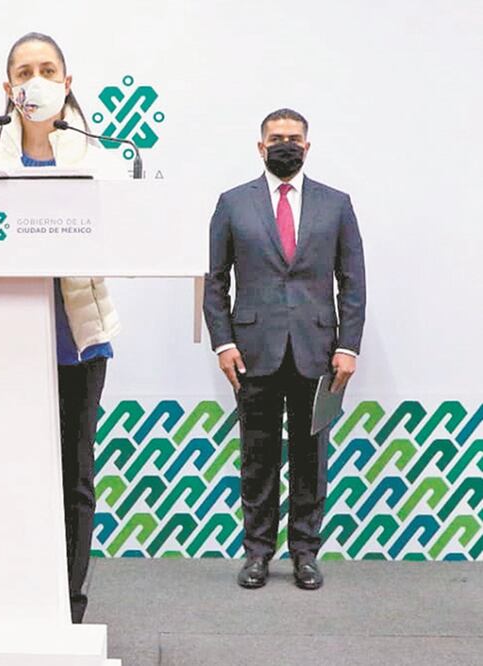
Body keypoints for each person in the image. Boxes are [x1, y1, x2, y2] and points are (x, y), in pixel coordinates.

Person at [0, 32, 123, 624]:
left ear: (67, 81)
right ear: (7, 87)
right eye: (24, 71)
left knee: (73, 474)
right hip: (10, 344)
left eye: (48, 70)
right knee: (15, 472)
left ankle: (69, 600)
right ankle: (16, 592)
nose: (36, 81)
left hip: (78, 342)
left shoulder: (99, 159)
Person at [203, 108, 366, 590]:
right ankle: (257, 553)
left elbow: (352, 282)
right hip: (252, 351)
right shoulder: (232, 204)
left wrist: (349, 346)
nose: (285, 145)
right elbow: (214, 281)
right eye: (276, 138)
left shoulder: (337, 204)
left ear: (307, 146)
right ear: (261, 146)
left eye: (294, 138)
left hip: (319, 351)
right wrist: (223, 342)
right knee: (257, 457)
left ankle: (305, 553)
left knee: (311, 458)